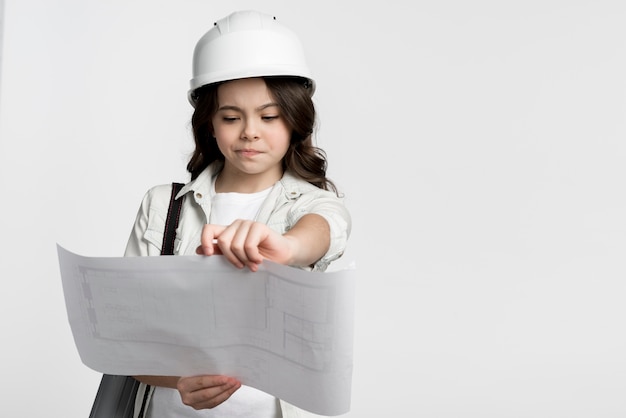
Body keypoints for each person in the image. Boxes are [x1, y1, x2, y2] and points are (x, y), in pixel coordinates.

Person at [123, 10, 351, 418]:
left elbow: (324, 231)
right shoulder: (162, 206)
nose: (249, 131)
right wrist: (179, 380)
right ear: (209, 123)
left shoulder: (311, 205)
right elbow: (129, 339)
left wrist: (286, 246)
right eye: (231, 117)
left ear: (295, 121)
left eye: (269, 116)